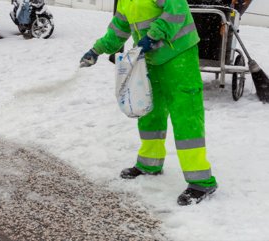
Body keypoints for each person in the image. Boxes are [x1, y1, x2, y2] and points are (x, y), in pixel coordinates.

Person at [80, 0, 217, 206]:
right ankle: (149, 164)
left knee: (185, 116)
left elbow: (176, 11)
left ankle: (201, 181)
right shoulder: (125, 2)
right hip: (151, 60)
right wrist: (96, 50)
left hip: (179, 56)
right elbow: (118, 31)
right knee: (150, 113)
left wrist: (152, 36)